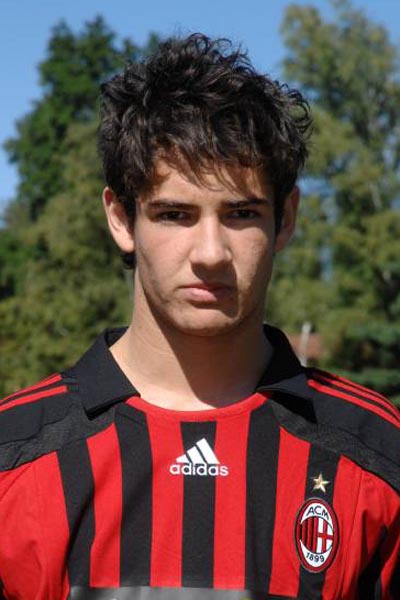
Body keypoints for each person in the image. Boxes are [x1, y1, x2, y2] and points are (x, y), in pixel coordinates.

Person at [0, 34, 399, 600]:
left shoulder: (378, 454)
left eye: (241, 213)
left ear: (285, 219)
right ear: (122, 219)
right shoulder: (13, 456)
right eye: (174, 214)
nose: (210, 252)